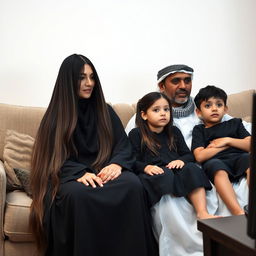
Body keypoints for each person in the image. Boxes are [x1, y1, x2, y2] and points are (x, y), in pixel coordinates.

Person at [29, 54, 158, 256]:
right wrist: (79, 173)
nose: (89, 83)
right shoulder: (55, 115)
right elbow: (51, 156)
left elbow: (123, 146)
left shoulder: (105, 111)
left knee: (132, 185)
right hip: (70, 176)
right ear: (68, 81)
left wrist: (117, 164)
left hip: (106, 172)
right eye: (81, 77)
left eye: (91, 77)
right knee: (78, 195)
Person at [125, 64, 251, 256]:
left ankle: (233, 242)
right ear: (161, 86)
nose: (183, 85)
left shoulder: (205, 107)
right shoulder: (139, 124)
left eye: (187, 80)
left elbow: (240, 130)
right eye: (176, 81)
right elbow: (130, 155)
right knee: (173, 202)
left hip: (199, 168)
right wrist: (146, 167)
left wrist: (191, 159)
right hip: (170, 172)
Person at [128, 91, 215, 219]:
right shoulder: (136, 134)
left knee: (192, 168)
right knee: (164, 175)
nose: (163, 113)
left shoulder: (174, 131)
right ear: (144, 115)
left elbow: (188, 155)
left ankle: (202, 213)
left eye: (166, 109)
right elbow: (132, 161)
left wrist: (181, 161)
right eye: (156, 110)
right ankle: (173, 217)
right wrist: (146, 168)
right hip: (154, 173)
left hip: (175, 169)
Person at [192, 85, 251, 215]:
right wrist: (225, 146)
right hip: (216, 161)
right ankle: (238, 212)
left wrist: (228, 140)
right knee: (216, 167)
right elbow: (200, 156)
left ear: (225, 109)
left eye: (219, 105)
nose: (214, 108)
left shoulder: (235, 123)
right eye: (208, 106)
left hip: (239, 157)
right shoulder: (199, 130)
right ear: (199, 112)